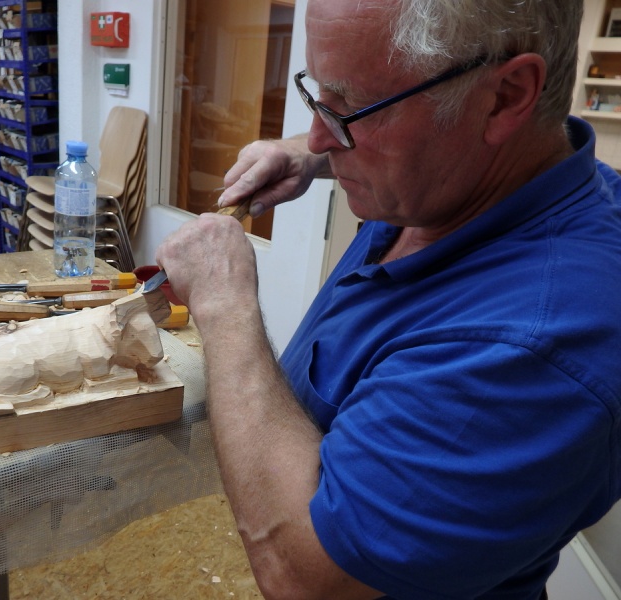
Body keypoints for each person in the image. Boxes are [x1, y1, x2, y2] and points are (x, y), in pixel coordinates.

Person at [156, 0, 621, 598]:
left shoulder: (531, 345)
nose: (322, 133)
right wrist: (308, 154)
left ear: (505, 97)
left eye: (350, 106)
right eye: (320, 94)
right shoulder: (456, 180)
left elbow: (307, 578)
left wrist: (224, 304)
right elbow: (429, 127)